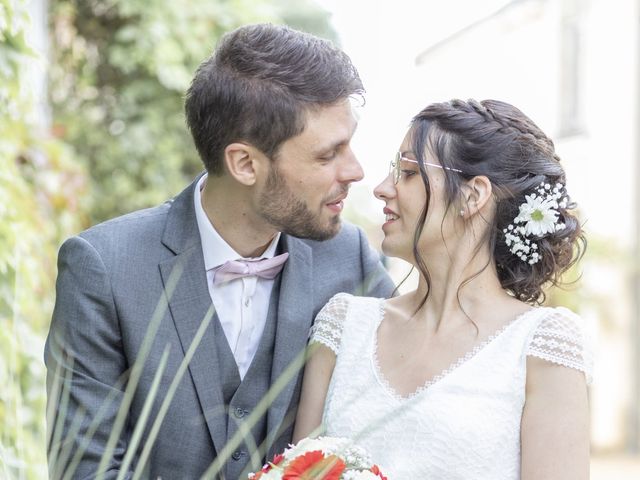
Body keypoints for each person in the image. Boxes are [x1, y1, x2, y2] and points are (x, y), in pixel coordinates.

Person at [45, 23, 394, 480]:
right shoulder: (103, 268)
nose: (355, 171)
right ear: (245, 163)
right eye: (328, 155)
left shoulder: (352, 260)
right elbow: (85, 470)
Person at [294, 99, 592, 479]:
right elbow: (297, 469)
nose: (383, 189)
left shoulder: (541, 345)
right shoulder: (343, 324)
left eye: (408, 172)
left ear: (473, 195)